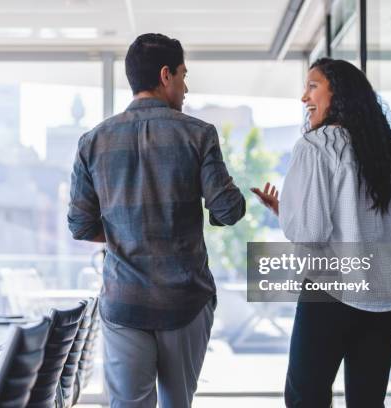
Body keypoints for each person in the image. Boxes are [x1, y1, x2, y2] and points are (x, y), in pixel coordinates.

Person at [67, 33, 246, 408]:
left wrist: (123, 232)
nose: (185, 86)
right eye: (183, 75)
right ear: (166, 75)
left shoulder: (92, 142)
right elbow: (228, 210)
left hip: (124, 300)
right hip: (184, 300)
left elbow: (81, 226)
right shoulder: (198, 135)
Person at [252, 58, 391, 407]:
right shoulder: (383, 151)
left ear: (337, 92)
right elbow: (388, 231)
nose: (303, 97)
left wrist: (287, 212)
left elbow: (311, 231)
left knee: (306, 397)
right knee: (367, 402)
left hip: (330, 292)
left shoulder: (316, 145)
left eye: (313, 86)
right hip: (383, 295)